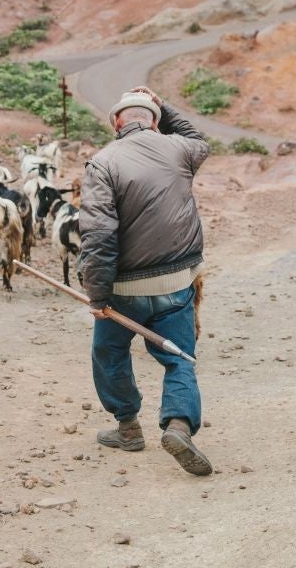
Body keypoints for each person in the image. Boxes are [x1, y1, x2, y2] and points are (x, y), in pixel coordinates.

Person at [78, 85, 212, 476]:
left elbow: (98, 235)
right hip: (176, 282)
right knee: (179, 358)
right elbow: (197, 138)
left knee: (109, 353)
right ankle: (179, 425)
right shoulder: (180, 150)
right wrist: (161, 103)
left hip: (123, 290)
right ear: (155, 121)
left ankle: (128, 428)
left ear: (116, 122)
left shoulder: (103, 162)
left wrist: (97, 297)